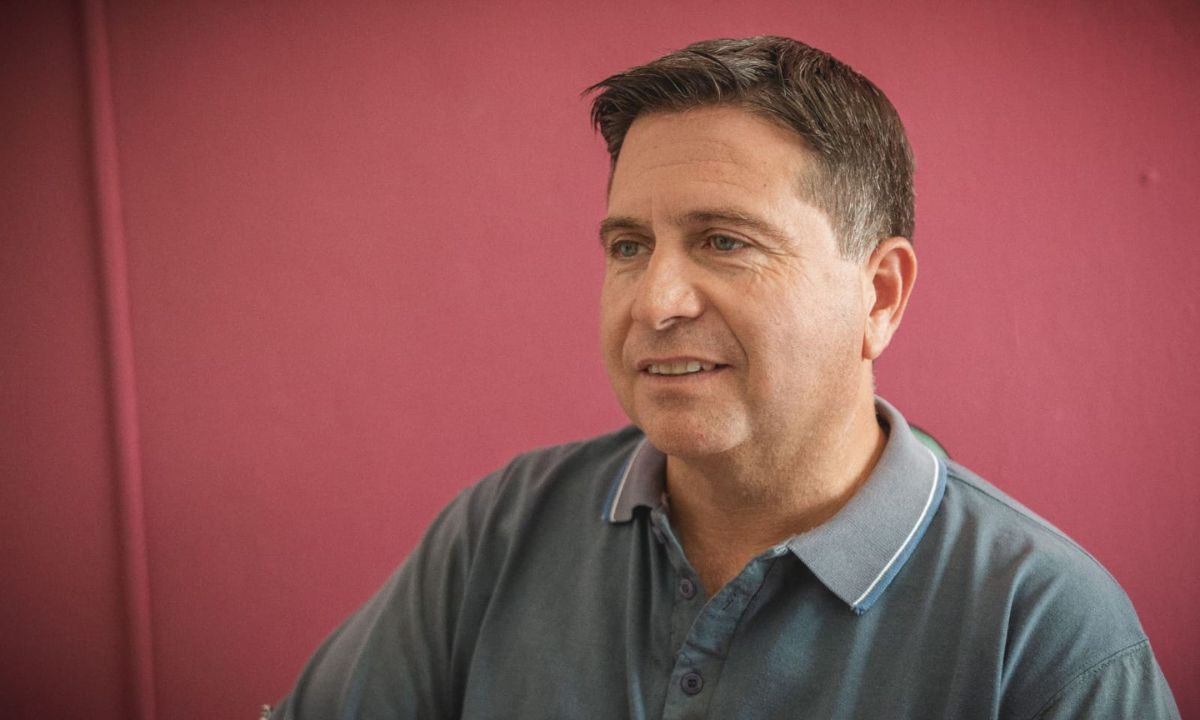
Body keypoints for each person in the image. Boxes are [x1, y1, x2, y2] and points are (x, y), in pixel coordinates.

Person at [270, 36, 1178, 719]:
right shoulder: (502, 531)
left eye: (725, 241)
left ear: (880, 295)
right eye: (630, 247)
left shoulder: (1049, 631)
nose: (655, 301)